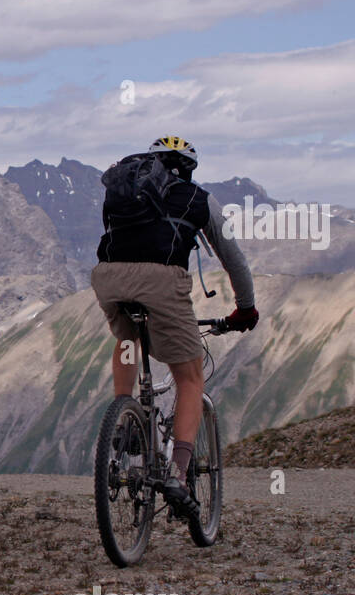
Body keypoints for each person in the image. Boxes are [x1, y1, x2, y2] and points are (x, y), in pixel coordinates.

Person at [92, 136, 258, 514]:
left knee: (128, 336)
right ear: (188, 168)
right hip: (162, 282)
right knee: (190, 378)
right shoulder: (198, 198)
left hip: (107, 278)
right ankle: (178, 476)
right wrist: (245, 308)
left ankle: (125, 417)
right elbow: (234, 259)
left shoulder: (122, 192)